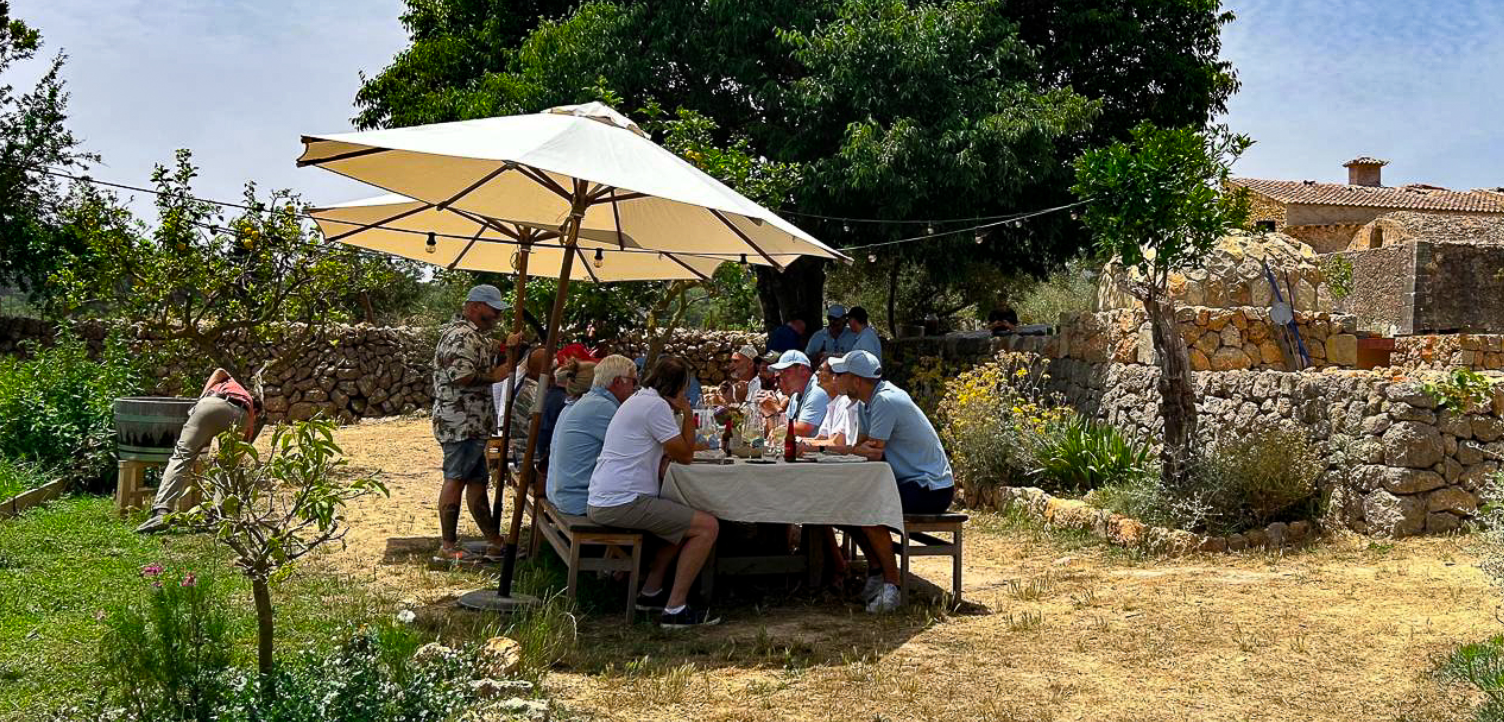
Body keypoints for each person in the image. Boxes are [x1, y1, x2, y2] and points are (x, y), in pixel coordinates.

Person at [587, 356, 721, 629]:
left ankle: (651, 592)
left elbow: (673, 449)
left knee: (679, 516)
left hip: (607, 496)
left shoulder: (639, 400)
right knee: (707, 527)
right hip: (623, 501)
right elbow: (684, 455)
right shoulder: (656, 407)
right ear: (677, 387)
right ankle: (675, 608)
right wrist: (684, 411)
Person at [832, 350, 955, 613]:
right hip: (911, 482)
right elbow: (863, 447)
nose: (835, 378)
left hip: (929, 487)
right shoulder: (868, 402)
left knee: (870, 509)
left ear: (856, 380)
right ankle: (877, 572)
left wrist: (837, 451)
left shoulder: (885, 401)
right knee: (843, 505)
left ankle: (892, 586)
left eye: (840, 374)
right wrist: (853, 450)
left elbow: (872, 451)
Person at [430, 284, 524, 562]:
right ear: (474, 307)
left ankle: (494, 541)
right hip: (461, 423)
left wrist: (511, 345)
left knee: (477, 482)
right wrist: (495, 376)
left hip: (473, 423)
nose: (496, 314)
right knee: (456, 479)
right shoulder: (460, 337)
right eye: (491, 308)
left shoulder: (476, 336)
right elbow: (461, 376)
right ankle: (447, 546)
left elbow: (497, 347)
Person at [135, 368, 265, 534]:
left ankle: (161, 512)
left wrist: (201, 399)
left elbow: (219, 371)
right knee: (228, 466)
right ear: (256, 410)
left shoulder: (231, 385)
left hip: (211, 404)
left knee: (182, 457)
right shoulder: (249, 413)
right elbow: (240, 454)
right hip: (239, 416)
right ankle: (217, 517)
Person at [546, 355, 633, 517]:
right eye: (633, 382)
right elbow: (630, 451)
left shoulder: (577, 405)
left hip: (561, 492)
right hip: (577, 499)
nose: (635, 388)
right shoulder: (601, 407)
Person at [800, 360, 857, 453]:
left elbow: (837, 443)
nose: (816, 374)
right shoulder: (833, 403)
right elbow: (820, 439)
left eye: (821, 370)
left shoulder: (845, 401)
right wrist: (797, 442)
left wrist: (805, 445)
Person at [770, 350, 827, 437]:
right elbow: (784, 426)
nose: (782, 378)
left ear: (803, 370)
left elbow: (802, 430)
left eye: (786, 372)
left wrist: (774, 409)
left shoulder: (818, 390)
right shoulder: (796, 394)